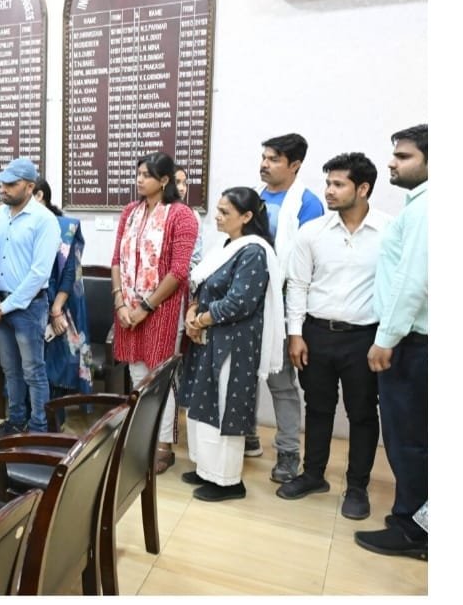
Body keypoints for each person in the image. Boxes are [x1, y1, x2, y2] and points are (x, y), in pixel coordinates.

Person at [279, 153, 391, 520]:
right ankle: (313, 475)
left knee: (362, 413)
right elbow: (298, 285)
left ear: (363, 188)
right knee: (318, 407)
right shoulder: (312, 232)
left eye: (338, 184)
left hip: (364, 338)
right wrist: (295, 334)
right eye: (328, 182)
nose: (329, 190)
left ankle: (357, 487)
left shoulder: (389, 231)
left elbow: (397, 287)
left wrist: (386, 339)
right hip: (317, 334)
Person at [179, 187, 284, 501]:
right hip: (208, 339)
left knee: (224, 408)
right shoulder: (225, 246)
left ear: (247, 216)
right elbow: (202, 286)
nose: (217, 216)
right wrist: (192, 312)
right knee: (202, 405)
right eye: (218, 209)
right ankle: (205, 469)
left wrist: (200, 320)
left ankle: (227, 481)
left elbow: (240, 302)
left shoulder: (254, 251)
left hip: (232, 344)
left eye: (225, 212)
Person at [354, 124, 428, 561]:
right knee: (415, 438)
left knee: (409, 440)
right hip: (413, 337)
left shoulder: (425, 209)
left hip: (412, 341)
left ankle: (413, 529)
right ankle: (416, 520)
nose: (392, 163)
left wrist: (385, 339)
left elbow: (411, 281)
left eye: (404, 156)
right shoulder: (421, 205)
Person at [111, 152, 198, 474]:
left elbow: (179, 271)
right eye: (138, 173)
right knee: (137, 375)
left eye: (146, 175)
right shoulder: (130, 212)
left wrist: (146, 307)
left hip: (163, 309)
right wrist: (120, 302)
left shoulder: (181, 215)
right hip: (127, 307)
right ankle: (141, 439)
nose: (139, 179)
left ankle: (162, 445)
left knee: (159, 378)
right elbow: (116, 260)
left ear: (164, 180)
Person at [249, 132, 325, 480]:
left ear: (295, 165)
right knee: (244, 376)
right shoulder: (254, 196)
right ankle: (247, 437)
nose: (264, 164)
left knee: (281, 384)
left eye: (273, 159)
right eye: (264, 157)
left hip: (282, 306)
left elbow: (307, 265)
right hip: (249, 303)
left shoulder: (308, 205)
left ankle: (288, 452)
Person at [0, 157, 61, 440]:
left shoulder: (45, 220)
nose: (4, 188)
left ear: (29, 187)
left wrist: (6, 305)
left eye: (11, 184)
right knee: (10, 370)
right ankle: (16, 421)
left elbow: (39, 273)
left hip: (28, 307)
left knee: (33, 371)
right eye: (2, 183)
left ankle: (38, 429)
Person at [32, 178, 93, 399]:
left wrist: (56, 310)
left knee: (56, 366)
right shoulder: (22, 224)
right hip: (29, 304)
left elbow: (69, 274)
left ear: (39, 195)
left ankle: (53, 415)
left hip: (60, 304)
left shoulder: (65, 228)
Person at [175, 165, 204, 269]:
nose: (182, 189)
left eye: (184, 183)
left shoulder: (193, 215)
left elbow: (195, 259)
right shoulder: (153, 213)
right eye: (176, 183)